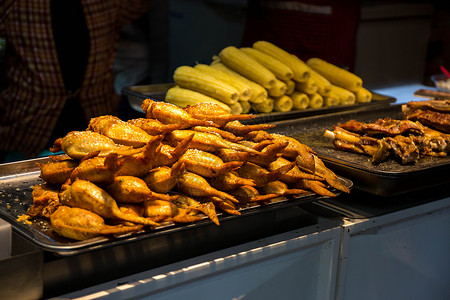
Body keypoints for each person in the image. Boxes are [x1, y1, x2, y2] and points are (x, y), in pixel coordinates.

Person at [0, 0, 151, 162]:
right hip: (29, 123)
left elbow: (140, 5)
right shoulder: (17, 4)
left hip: (96, 116)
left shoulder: (109, 3)